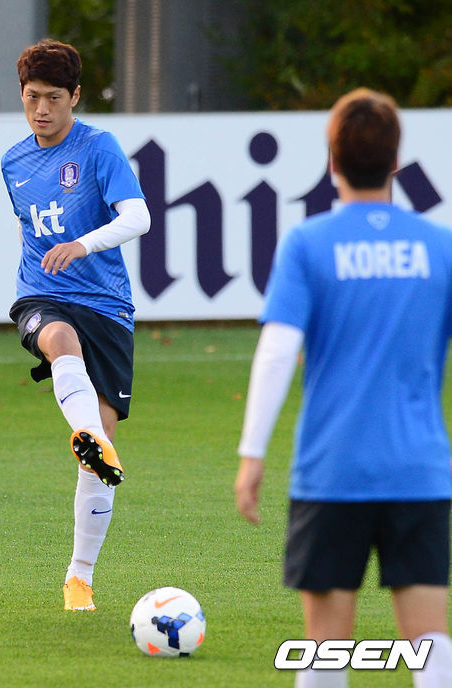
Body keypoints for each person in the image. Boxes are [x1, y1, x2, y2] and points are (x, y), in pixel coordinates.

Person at [235, 88, 452, 687]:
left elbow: (277, 352)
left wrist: (252, 454)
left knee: (326, 646)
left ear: (332, 161)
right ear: (397, 162)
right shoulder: (440, 247)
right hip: (418, 471)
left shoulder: (308, 244)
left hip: (332, 470)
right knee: (430, 641)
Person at [2, 39, 150, 612]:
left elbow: (138, 217)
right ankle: (88, 435)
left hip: (107, 306)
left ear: (76, 97)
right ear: (23, 94)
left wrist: (82, 245)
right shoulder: (13, 161)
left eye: (54, 98)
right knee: (57, 338)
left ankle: (79, 576)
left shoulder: (97, 147)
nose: (41, 109)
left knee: (99, 462)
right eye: (32, 97)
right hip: (42, 294)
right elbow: (30, 229)